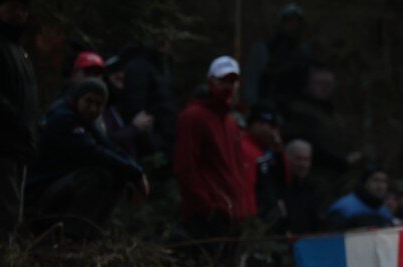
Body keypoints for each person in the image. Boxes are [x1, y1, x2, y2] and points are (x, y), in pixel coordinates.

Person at [25, 78, 147, 241]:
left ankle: (91, 234)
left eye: (99, 104)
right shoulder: (63, 118)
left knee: (117, 174)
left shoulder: (82, 119)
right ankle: (73, 237)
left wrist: (136, 171)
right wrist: (135, 174)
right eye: (89, 101)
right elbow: (95, 152)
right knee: (96, 175)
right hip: (39, 198)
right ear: (77, 98)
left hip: (57, 191)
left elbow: (108, 146)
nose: (93, 108)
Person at [0, 0, 38, 242]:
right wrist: (15, 121)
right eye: (13, 7)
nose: (19, 14)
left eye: (24, 9)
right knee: (3, 212)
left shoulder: (20, 51)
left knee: (10, 212)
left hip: (17, 144)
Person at [173, 55, 247, 239]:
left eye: (232, 81)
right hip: (205, 216)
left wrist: (241, 210)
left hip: (231, 215)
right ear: (211, 81)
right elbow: (185, 167)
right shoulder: (193, 117)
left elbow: (237, 169)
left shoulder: (231, 123)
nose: (228, 86)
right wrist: (207, 208)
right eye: (223, 80)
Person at [281, 66, 360, 187]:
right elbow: (309, 143)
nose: (325, 88)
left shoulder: (332, 114)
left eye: (329, 84)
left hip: (335, 178)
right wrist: (341, 161)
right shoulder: (300, 111)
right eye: (320, 83)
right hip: (313, 177)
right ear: (309, 84)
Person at [107, 39, 175, 167]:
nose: (166, 46)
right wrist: (154, 147)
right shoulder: (140, 66)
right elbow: (138, 109)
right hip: (145, 145)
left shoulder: (159, 66)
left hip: (154, 141)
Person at [242, 3, 310, 109]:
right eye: (289, 22)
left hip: (294, 108)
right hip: (267, 107)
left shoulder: (303, 51)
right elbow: (251, 82)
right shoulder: (264, 48)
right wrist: (255, 107)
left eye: (297, 23)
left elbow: (306, 84)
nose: (293, 27)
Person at [240, 100, 285, 224]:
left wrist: (279, 152)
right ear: (257, 124)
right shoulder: (245, 148)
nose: (274, 132)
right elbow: (247, 189)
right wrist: (250, 220)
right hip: (255, 219)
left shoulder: (266, 148)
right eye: (272, 126)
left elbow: (286, 179)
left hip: (268, 216)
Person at [323, 166, 392, 231]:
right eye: (375, 180)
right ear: (364, 183)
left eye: (384, 181)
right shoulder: (344, 208)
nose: (380, 186)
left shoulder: (385, 211)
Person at [279, 138, 319, 234]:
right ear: (287, 159)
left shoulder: (311, 190)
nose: (303, 164)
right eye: (298, 159)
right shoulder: (279, 189)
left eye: (306, 159)